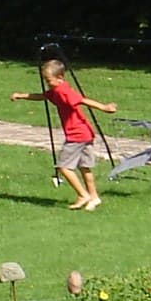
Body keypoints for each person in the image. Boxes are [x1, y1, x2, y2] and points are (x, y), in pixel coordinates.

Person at [11, 58, 117, 210]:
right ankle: (94, 197)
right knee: (84, 166)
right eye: (45, 81)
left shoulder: (63, 91)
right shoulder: (56, 90)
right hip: (85, 133)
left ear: (60, 78)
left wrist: (104, 107)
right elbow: (43, 96)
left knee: (63, 167)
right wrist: (22, 95)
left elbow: (82, 100)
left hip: (76, 135)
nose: (48, 83)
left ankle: (83, 195)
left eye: (49, 80)